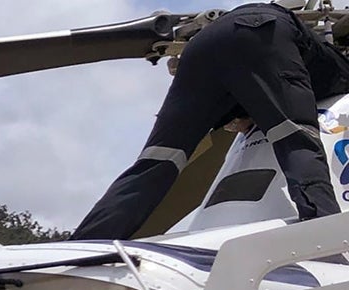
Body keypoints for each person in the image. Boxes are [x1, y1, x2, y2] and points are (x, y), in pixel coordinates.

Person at [72, 1, 349, 240]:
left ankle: (85, 243)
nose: (235, 129)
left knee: (155, 163)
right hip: (264, 31)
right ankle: (324, 234)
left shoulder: (241, 89)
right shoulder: (328, 73)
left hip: (200, 49)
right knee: (296, 140)